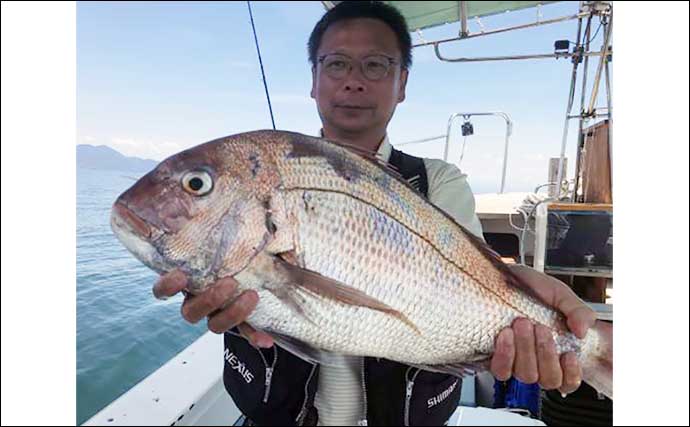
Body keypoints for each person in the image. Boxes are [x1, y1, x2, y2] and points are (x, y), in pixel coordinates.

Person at [153, 2, 596, 425]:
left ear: (402, 83)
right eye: (337, 64)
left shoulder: (439, 182)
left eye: (375, 65)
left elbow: (474, 279)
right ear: (314, 78)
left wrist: (526, 302)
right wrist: (208, 282)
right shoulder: (269, 176)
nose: (354, 81)